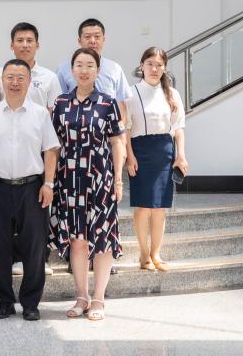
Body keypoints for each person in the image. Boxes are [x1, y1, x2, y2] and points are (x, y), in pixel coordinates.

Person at [49, 48, 126, 322]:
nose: (84, 70)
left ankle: (99, 298)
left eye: (90, 65)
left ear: (98, 70)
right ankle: (81, 296)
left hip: (100, 179)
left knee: (102, 238)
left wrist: (118, 179)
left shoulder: (107, 103)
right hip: (69, 180)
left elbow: (117, 142)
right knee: (77, 240)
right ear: (72, 70)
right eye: (79, 65)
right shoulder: (60, 103)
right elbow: (53, 145)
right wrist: (50, 181)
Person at [0, 59, 59, 321]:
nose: (15, 83)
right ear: (2, 81)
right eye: (10, 77)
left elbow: (50, 150)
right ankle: (3, 301)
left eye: (20, 78)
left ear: (29, 81)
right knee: (0, 247)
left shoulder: (40, 114)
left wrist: (49, 183)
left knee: (35, 247)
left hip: (32, 188)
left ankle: (31, 302)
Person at [0, 22, 61, 277]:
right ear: (12, 45)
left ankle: (38, 267)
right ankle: (8, 283)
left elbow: (53, 119)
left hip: (35, 159)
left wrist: (49, 182)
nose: (25, 45)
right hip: (2, 166)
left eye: (29, 40)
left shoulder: (49, 78)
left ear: (37, 45)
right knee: (2, 236)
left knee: (34, 230)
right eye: (20, 40)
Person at [126, 46, 188, 272]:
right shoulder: (130, 92)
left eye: (159, 65)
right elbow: (126, 129)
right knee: (143, 207)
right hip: (140, 151)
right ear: (141, 66)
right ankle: (144, 255)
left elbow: (178, 128)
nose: (154, 69)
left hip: (165, 152)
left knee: (160, 208)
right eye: (150, 64)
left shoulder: (172, 93)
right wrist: (129, 156)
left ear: (165, 68)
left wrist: (180, 155)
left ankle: (156, 253)